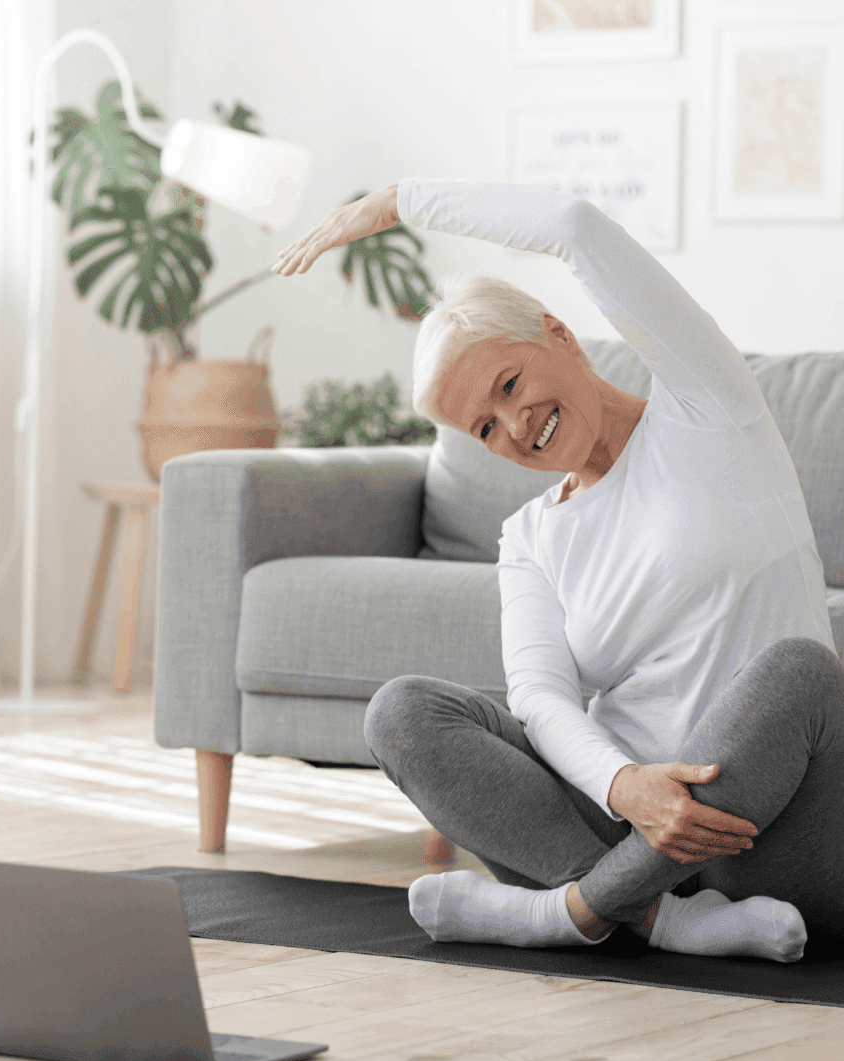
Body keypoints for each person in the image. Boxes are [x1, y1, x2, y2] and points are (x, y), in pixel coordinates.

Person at [271, 180, 844, 962]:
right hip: (621, 820)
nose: (515, 426)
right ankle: (660, 919)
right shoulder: (531, 537)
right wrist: (624, 787)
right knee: (402, 713)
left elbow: (576, 226)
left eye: (509, 386)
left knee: (802, 671)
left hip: (772, 836)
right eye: (483, 426)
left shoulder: (708, 408)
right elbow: (540, 699)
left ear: (558, 336)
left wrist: (399, 203)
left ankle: (564, 914)